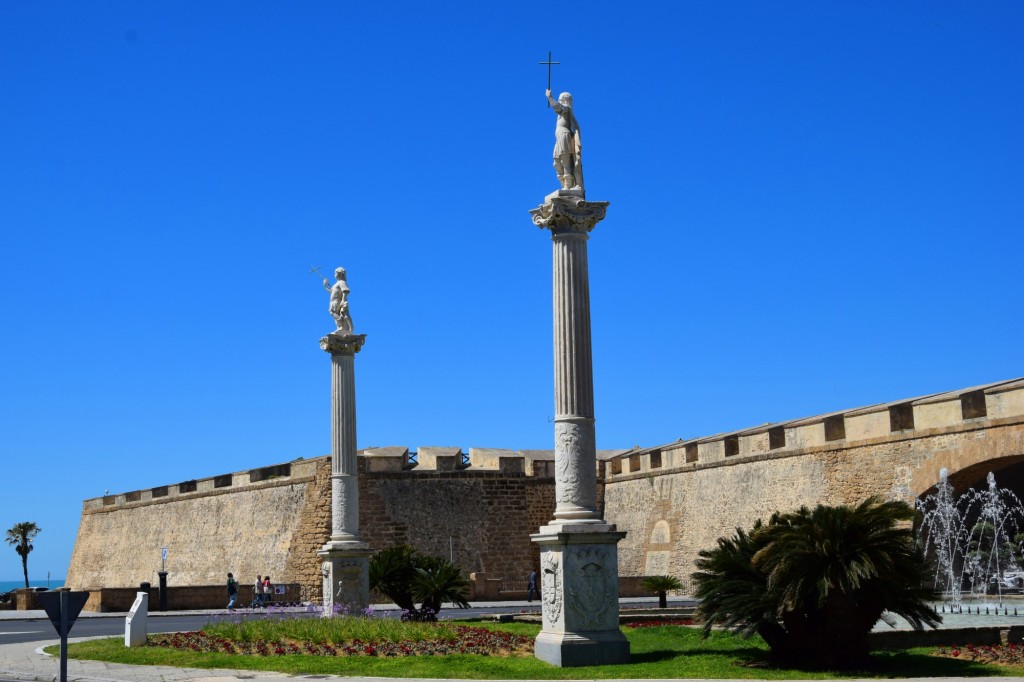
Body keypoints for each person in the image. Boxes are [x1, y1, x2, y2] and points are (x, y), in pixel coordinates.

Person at [546, 89, 584, 192]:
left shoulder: (566, 108)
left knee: (565, 160)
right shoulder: (563, 110)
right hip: (559, 138)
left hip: (565, 135)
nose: (558, 100)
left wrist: (550, 97)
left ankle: (568, 185)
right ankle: (564, 183)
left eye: (560, 99)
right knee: (556, 162)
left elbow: (558, 107)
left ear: (564, 100)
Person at [322, 267, 354, 333]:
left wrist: (343, 300)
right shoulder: (336, 284)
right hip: (333, 301)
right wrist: (325, 285)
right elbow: (330, 291)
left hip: (337, 301)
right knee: (334, 313)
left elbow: (345, 291)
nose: (334, 274)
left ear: (339, 274)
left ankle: (341, 326)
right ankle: (340, 326)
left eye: (335, 273)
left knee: (333, 312)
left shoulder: (342, 282)